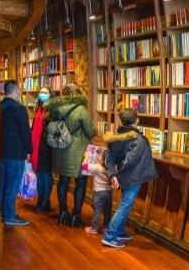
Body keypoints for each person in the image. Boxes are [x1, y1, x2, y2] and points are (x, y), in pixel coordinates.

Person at [101, 108, 158, 248]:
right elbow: (130, 161)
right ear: (137, 120)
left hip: (122, 177)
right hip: (132, 177)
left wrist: (113, 174)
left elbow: (109, 157)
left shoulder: (116, 136)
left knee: (126, 204)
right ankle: (110, 236)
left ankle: (119, 232)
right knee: (125, 205)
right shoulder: (138, 139)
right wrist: (117, 175)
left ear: (121, 121)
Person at [45, 82, 95, 227]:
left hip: (60, 148)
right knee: (80, 183)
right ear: (78, 93)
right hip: (78, 150)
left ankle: (63, 212)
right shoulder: (81, 110)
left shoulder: (56, 108)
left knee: (63, 182)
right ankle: (76, 215)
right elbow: (90, 132)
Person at [0, 79, 32, 226]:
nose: (20, 92)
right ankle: (9, 216)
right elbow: (25, 131)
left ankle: (0, 213)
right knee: (12, 185)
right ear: (16, 91)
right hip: (16, 152)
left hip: (0, 152)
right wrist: (29, 149)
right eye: (19, 90)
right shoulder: (19, 109)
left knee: (1, 184)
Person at [30, 86, 53, 212]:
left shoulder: (52, 111)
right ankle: (41, 200)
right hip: (37, 146)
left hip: (47, 147)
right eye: (41, 92)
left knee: (46, 174)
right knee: (39, 174)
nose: (43, 94)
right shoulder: (37, 109)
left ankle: (45, 201)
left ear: (50, 95)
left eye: (46, 92)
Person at [82, 147, 112, 234]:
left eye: (100, 156)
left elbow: (84, 166)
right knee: (107, 211)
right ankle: (106, 226)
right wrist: (101, 153)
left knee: (97, 211)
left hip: (99, 192)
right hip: (108, 192)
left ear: (102, 159)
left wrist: (86, 157)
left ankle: (94, 227)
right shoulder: (111, 168)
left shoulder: (97, 168)